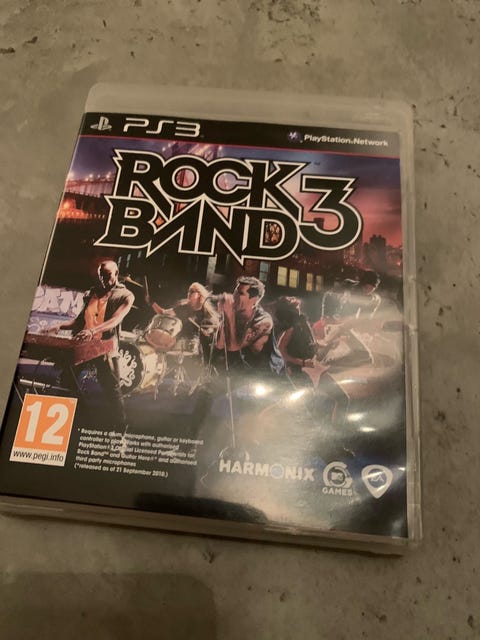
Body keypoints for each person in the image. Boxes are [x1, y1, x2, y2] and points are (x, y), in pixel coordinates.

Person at [48, 260, 134, 427]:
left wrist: (92, 331)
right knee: (67, 380)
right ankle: (72, 419)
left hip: (104, 347)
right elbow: (79, 321)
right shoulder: (92, 293)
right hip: (83, 345)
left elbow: (115, 320)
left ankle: (121, 427)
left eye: (107, 275)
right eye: (100, 275)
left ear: (116, 273)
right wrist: (59, 325)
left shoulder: (126, 295)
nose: (102, 279)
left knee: (111, 388)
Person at [215, 276, 283, 375]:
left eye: (240, 293)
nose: (234, 296)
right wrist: (225, 316)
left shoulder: (264, 321)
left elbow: (234, 348)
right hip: (243, 373)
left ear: (254, 300)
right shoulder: (236, 315)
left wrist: (230, 315)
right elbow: (220, 345)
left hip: (266, 375)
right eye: (235, 292)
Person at [275, 296, 317, 387]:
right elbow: (281, 351)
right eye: (289, 299)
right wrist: (302, 362)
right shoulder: (290, 328)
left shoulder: (302, 321)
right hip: (296, 369)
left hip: (309, 365)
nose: (292, 297)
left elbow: (311, 342)